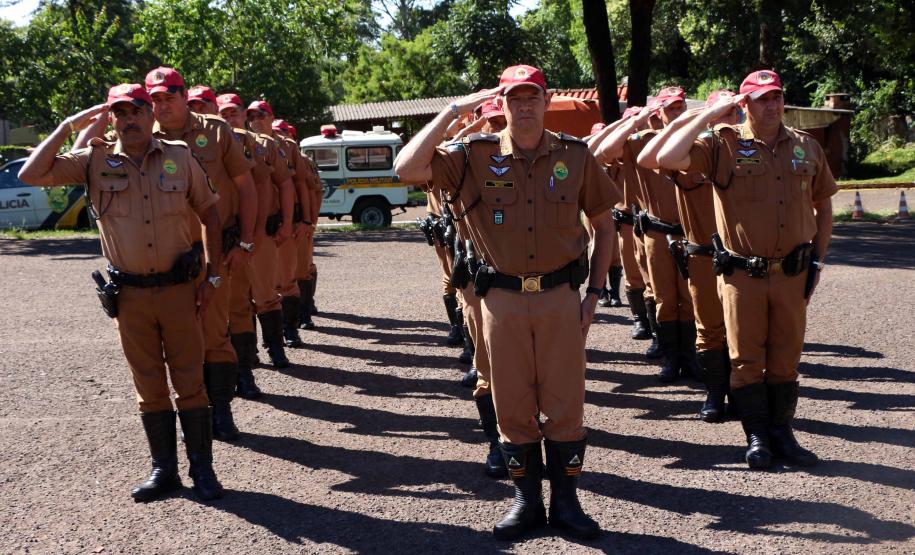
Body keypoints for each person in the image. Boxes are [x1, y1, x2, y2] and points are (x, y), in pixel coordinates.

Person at [395, 64, 621, 541]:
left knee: (565, 405)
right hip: (500, 300)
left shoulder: (575, 155)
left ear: (546, 101)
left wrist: (595, 294)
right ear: (501, 103)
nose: (523, 106)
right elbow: (407, 168)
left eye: (531, 96)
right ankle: (526, 502)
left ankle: (567, 503)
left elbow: (605, 227)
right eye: (513, 98)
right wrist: (454, 110)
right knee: (512, 405)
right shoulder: (473, 155)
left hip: (561, 298)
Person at [18, 84, 224, 501]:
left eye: (137, 111)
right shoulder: (93, 160)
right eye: (120, 113)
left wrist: (213, 278)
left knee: (190, 381)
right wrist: (68, 125)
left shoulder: (180, 157)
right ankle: (164, 470)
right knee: (149, 385)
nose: (129, 120)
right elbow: (31, 174)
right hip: (129, 297)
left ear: (151, 115)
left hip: (179, 291)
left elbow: (210, 214)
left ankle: (203, 469)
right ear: (111, 119)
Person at [655, 70, 836, 468]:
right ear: (744, 104)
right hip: (742, 276)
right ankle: (756, 437)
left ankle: (782, 434)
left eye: (776, 97)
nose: (771, 105)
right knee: (746, 359)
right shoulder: (722, 144)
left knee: (786, 358)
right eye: (761, 99)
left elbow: (823, 206)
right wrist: (709, 114)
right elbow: (665, 158)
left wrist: (818, 261)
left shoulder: (806, 146)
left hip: (792, 273)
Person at [144, 67, 258, 440]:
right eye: (155, 100)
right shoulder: (142, 135)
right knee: (177, 340)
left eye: (169, 97)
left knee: (214, 334)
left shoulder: (216, 131)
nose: (163, 106)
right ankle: (195, 411)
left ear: (183, 95)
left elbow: (246, 187)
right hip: (165, 258)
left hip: (213, 252)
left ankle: (221, 411)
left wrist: (245, 242)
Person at [638, 90, 740, 421]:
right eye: (720, 113)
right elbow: (649, 158)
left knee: (742, 329)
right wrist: (688, 121)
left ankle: (741, 392)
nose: (727, 119)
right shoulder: (694, 152)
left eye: (732, 112)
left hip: (740, 257)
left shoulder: (749, 152)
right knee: (709, 327)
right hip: (703, 255)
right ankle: (714, 392)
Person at [594, 87, 697, 382]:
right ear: (658, 113)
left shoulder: (695, 140)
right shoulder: (642, 141)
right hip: (656, 232)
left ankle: (691, 356)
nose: (676, 113)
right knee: (664, 296)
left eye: (680, 107)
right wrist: (634, 121)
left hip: (691, 233)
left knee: (690, 296)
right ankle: (670, 356)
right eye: (670, 108)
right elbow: (602, 153)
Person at [217, 93, 296, 393]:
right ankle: (247, 357)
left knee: (265, 293)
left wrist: (287, 222)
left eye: (234, 113)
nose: (230, 118)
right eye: (224, 114)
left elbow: (284, 184)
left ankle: (275, 347)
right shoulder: (209, 145)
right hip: (226, 234)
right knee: (235, 300)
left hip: (259, 232)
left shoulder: (263, 145)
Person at [247, 101, 312, 350]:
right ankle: (258, 342)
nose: (256, 120)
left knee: (287, 278)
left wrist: (305, 220)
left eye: (261, 115)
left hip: (284, 223)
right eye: (251, 116)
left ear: (271, 117)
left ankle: (290, 329)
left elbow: (301, 185)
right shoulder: (242, 143)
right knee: (255, 286)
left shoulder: (287, 146)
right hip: (255, 225)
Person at [588, 107, 653, 342]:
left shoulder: (657, 142)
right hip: (627, 220)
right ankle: (640, 319)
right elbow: (595, 153)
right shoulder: (623, 148)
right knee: (633, 273)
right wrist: (627, 126)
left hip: (657, 222)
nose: (641, 126)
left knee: (657, 279)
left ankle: (660, 330)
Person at [272, 118, 322, 331]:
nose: (280, 135)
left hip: (299, 222)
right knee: (279, 274)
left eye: (283, 132)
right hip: (277, 221)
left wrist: (310, 222)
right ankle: (288, 318)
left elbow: (314, 191)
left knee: (303, 268)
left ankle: (305, 312)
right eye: (277, 132)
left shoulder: (301, 160)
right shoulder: (266, 152)